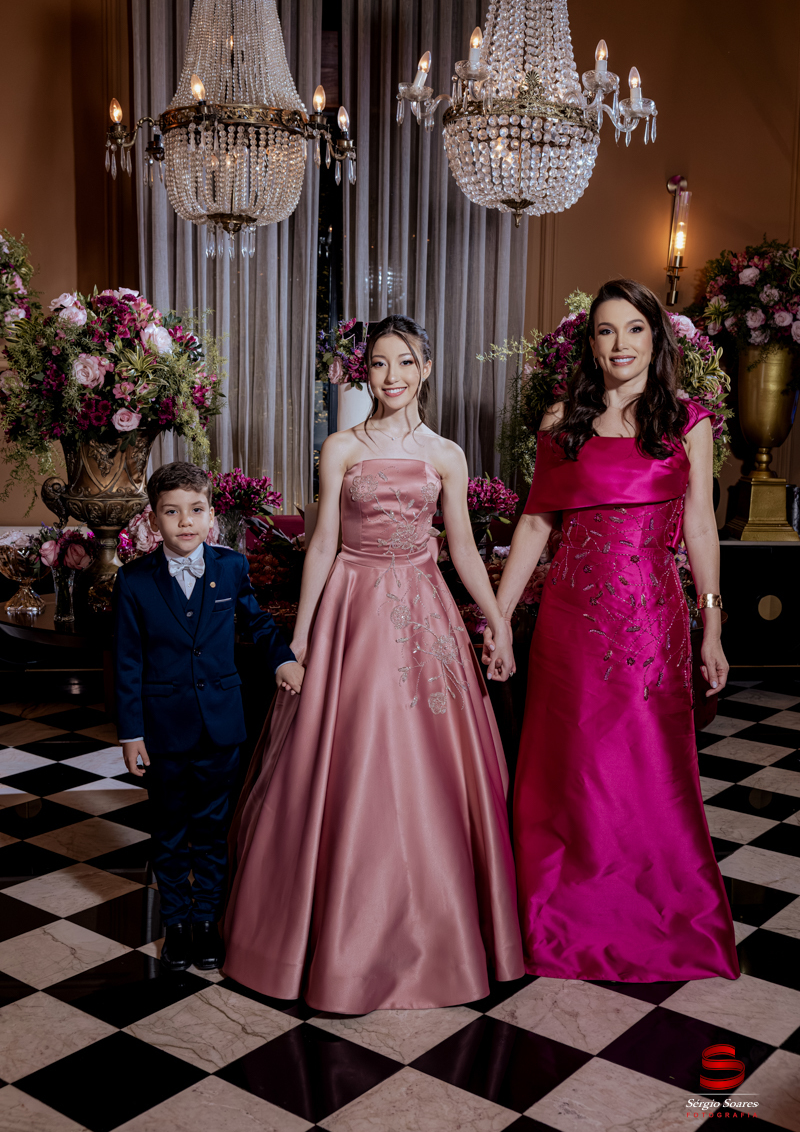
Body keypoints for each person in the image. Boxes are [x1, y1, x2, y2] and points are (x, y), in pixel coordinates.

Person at [223, 316, 524, 1012]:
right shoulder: (341, 446)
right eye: (381, 363)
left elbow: (462, 548)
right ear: (366, 373)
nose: (393, 376)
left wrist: (497, 621)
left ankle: (437, 930)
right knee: (349, 754)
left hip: (424, 609)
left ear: (426, 369)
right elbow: (323, 542)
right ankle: (321, 935)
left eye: (406, 362)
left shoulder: (447, 454)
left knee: (429, 765)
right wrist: (302, 634)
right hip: (352, 608)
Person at [485, 280, 739, 983]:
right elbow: (536, 523)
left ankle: (649, 914)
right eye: (605, 330)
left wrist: (712, 627)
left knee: (645, 771)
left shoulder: (687, 422)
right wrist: (499, 619)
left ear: (656, 338)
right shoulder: (561, 420)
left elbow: (701, 529)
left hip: (652, 625)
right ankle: (560, 914)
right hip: (568, 622)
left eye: (633, 328)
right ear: (590, 343)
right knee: (569, 770)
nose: (620, 343)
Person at [113, 461, 304, 973]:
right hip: (162, 730)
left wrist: (283, 660)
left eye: (196, 510)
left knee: (214, 830)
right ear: (153, 519)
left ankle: (207, 920)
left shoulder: (231, 567)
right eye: (171, 512)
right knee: (169, 830)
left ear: (212, 515)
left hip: (221, 726)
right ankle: (176, 922)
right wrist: (131, 733)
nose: (185, 522)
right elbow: (127, 662)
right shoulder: (133, 581)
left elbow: (259, 624)